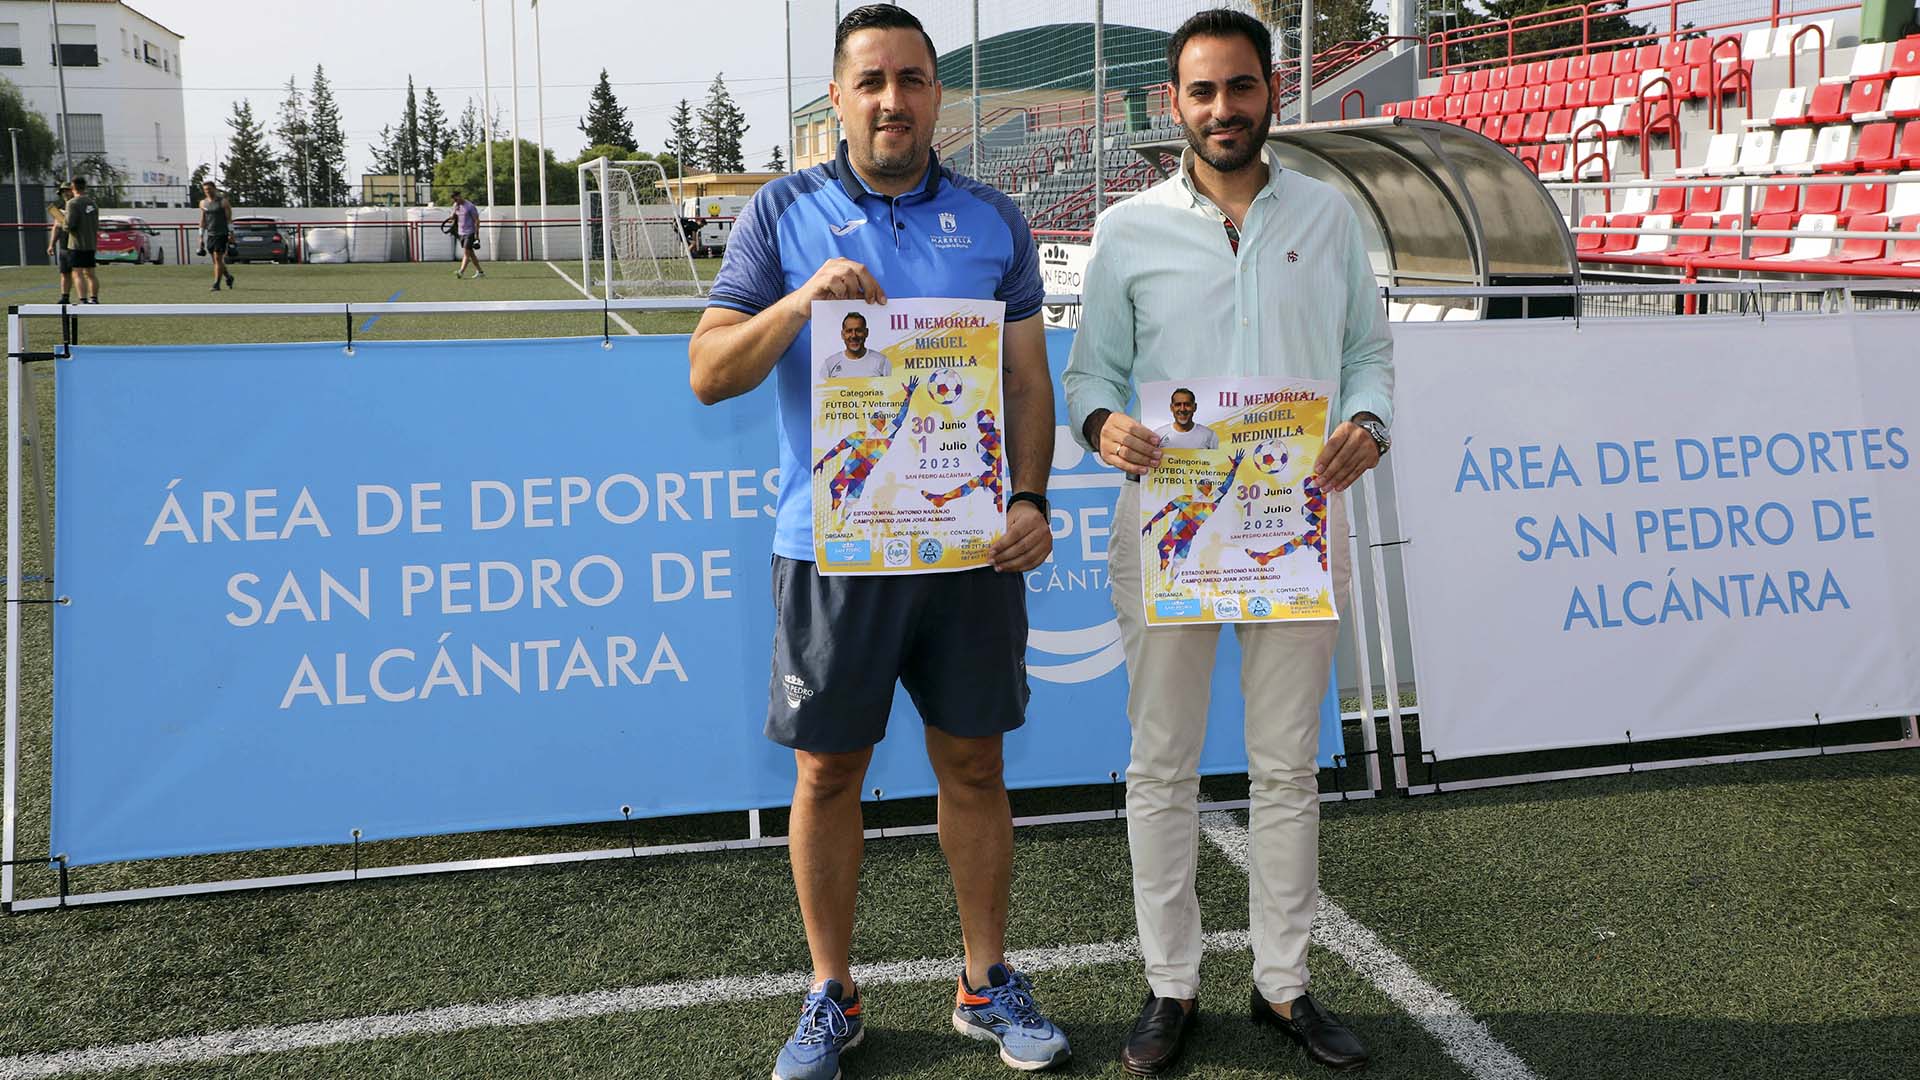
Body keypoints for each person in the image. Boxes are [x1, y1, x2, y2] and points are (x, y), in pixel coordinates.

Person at [687, 6, 1068, 1078]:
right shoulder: (780, 212)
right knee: (827, 774)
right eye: (870, 82)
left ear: (936, 94)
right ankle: (832, 994)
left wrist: (1031, 497)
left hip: (965, 550)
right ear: (838, 100)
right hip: (832, 551)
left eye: (911, 79)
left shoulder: (996, 220)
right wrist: (803, 298)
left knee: (975, 763)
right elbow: (708, 373)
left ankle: (985, 981)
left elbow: (1029, 382)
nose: (892, 100)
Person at [1063, 9, 1393, 1075]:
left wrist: (1370, 423)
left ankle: (1284, 986)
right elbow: (1090, 377)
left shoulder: (1332, 217)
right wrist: (1101, 426)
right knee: (1161, 768)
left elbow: (1368, 359)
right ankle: (1171, 986)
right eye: (1201, 93)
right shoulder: (1127, 230)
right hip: (1167, 526)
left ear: (1273, 94)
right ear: (1175, 105)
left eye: (1240, 88)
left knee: (1286, 770)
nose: (1222, 110)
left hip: (1289, 527)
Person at [817, 311, 890, 379]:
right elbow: (821, 392)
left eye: (858, 330)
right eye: (849, 331)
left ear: (866, 332)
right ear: (842, 334)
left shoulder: (882, 361)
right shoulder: (829, 364)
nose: (853, 336)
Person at [63, 176, 100, 304]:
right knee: (90, 273)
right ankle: (94, 299)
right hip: (91, 243)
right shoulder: (93, 203)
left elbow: (69, 225)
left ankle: (83, 300)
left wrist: (63, 223)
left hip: (77, 244)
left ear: (73, 188)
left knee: (77, 273)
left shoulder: (72, 203)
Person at [1154, 387, 1220, 449]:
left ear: (1195, 407)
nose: (1182, 409)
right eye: (1178, 404)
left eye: (1187, 404)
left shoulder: (1209, 435)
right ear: (1171, 408)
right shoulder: (1158, 435)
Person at [198, 180, 235, 292]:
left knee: (218, 259)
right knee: (216, 261)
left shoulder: (223, 202)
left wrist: (231, 234)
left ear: (214, 188)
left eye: (209, 189)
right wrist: (200, 236)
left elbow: (229, 220)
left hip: (221, 233)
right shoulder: (203, 203)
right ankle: (228, 277)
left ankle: (216, 284)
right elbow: (203, 220)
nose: (207, 191)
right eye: (205, 190)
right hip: (211, 234)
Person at [46, 184, 72, 304]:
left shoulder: (77, 204)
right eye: (63, 192)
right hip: (64, 246)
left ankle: (86, 298)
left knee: (81, 273)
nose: (65, 194)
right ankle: (65, 297)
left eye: (67, 191)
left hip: (77, 245)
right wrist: (51, 244)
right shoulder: (60, 206)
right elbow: (56, 227)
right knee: (64, 273)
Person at [449, 192, 483, 278]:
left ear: (460, 196)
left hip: (470, 232)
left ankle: (461, 271)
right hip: (460, 232)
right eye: (454, 200)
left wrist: (476, 235)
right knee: (471, 253)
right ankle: (480, 272)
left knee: (466, 252)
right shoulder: (456, 205)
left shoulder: (470, 206)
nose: (456, 201)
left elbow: (477, 221)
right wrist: (454, 212)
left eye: (456, 199)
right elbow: (452, 218)